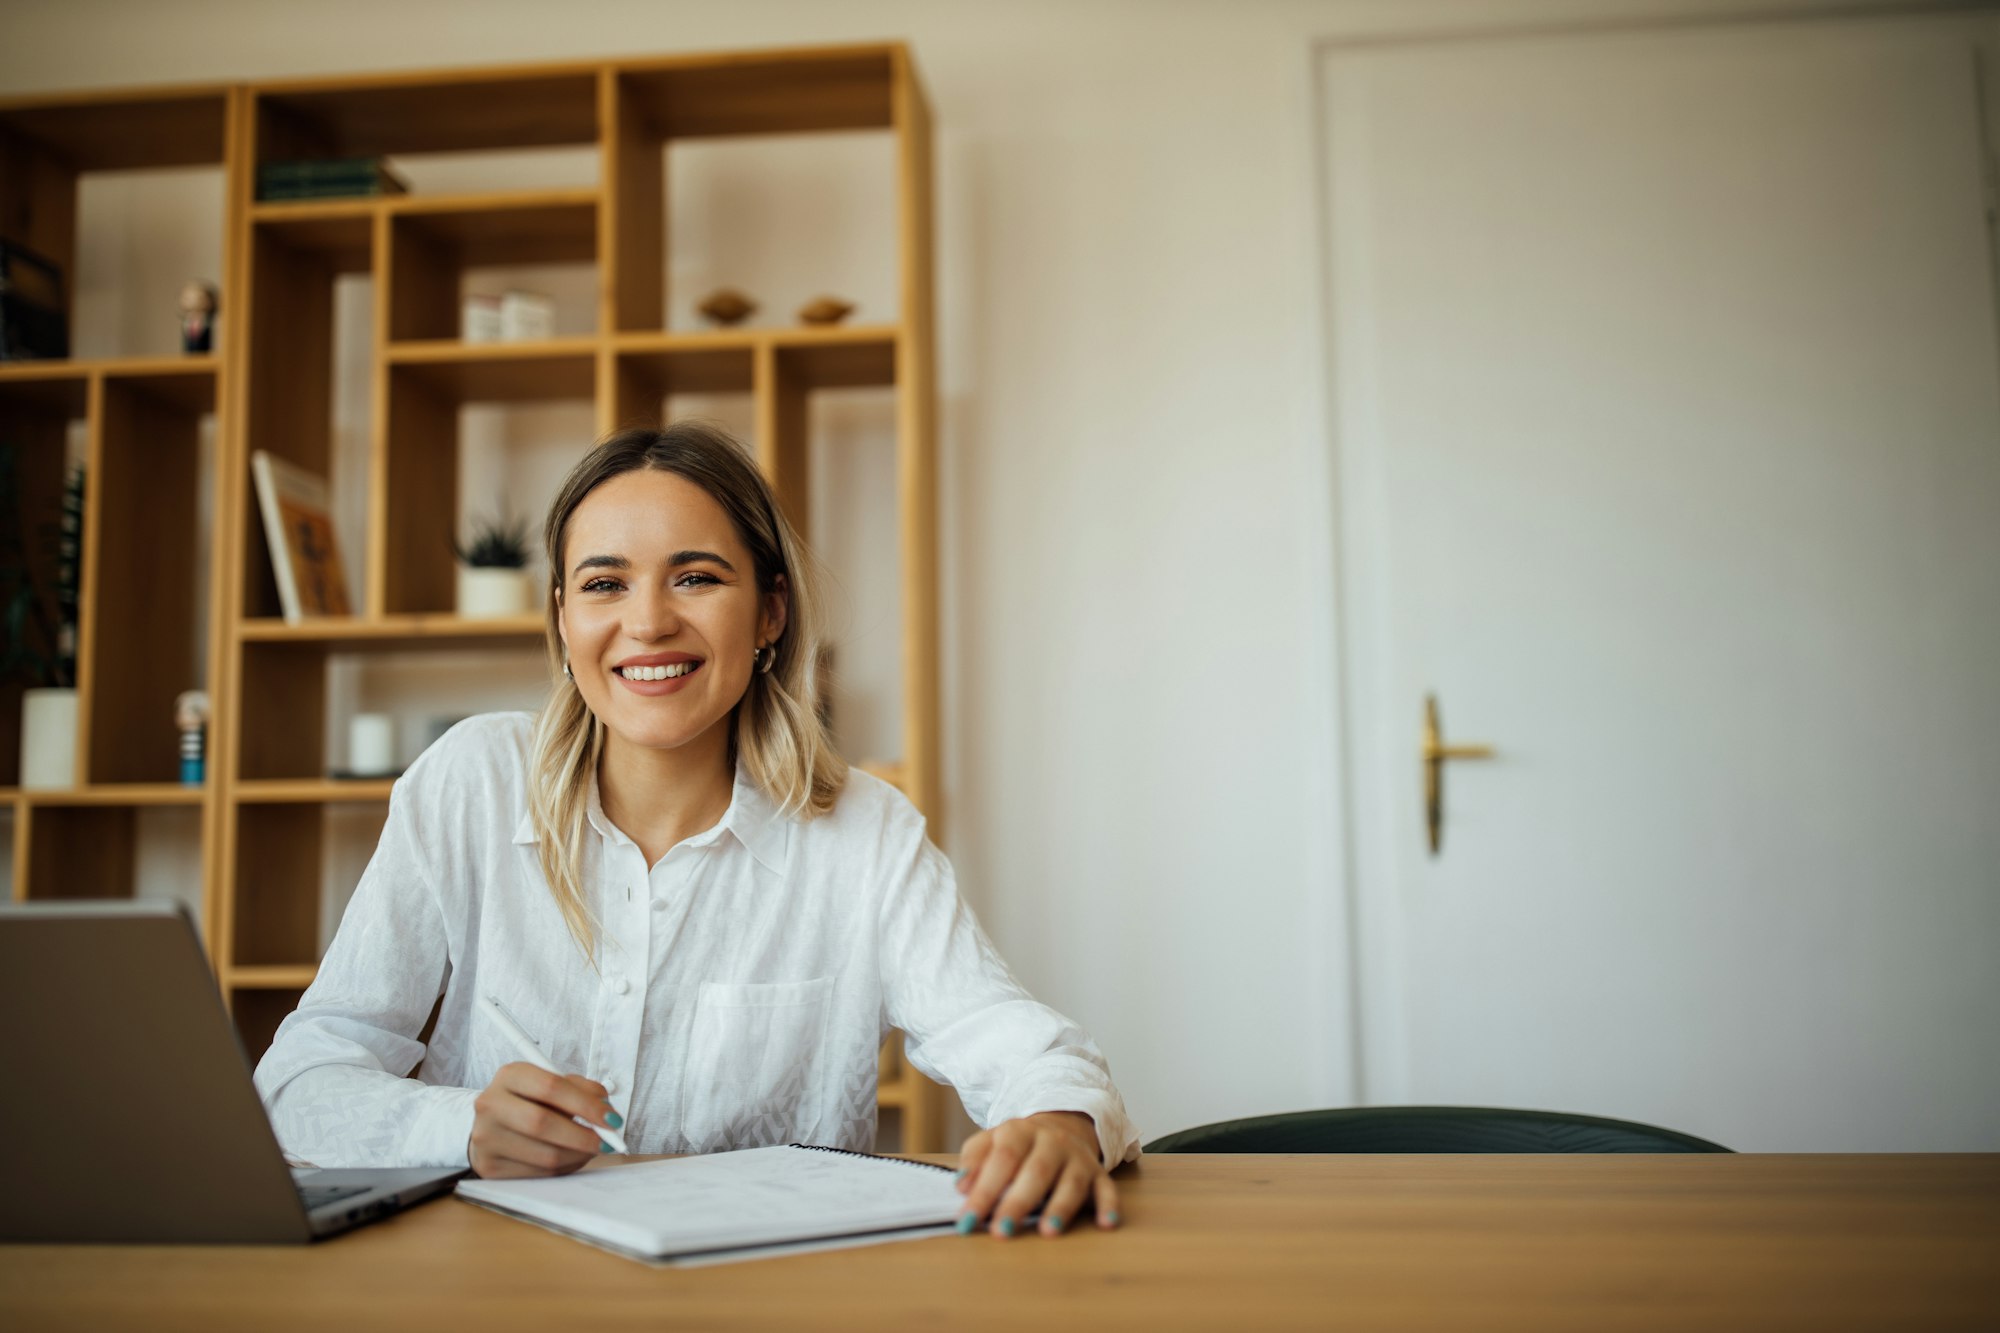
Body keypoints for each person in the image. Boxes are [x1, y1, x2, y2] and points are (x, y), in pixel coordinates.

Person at [254, 422, 1139, 1240]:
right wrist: (461, 1125)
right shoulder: (470, 785)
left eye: (697, 577)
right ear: (562, 618)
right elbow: (299, 1081)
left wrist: (1057, 1123)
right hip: (500, 1292)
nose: (648, 622)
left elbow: (1024, 1049)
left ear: (770, 613)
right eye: (605, 583)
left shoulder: (865, 833)